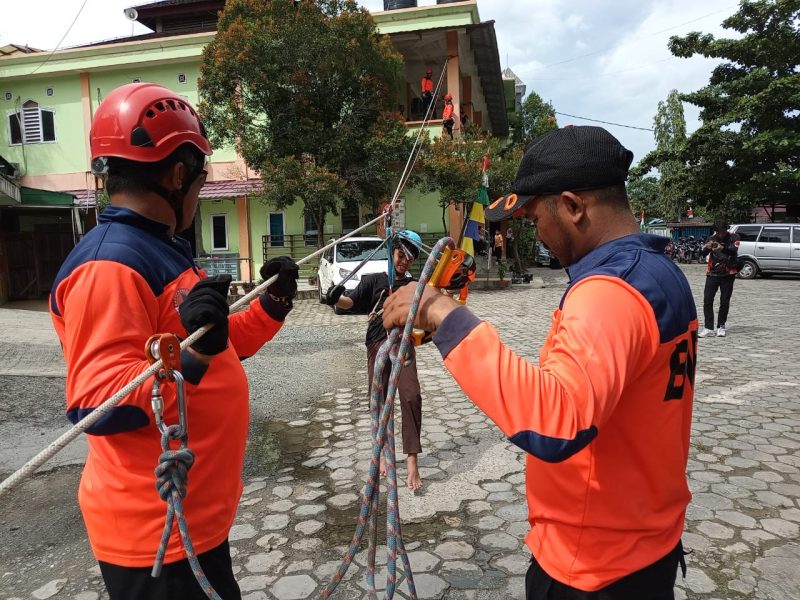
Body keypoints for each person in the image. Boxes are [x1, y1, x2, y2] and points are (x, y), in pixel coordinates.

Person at [382, 126, 696, 599]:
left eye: (534, 219)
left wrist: (445, 316)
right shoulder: (660, 272)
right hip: (646, 545)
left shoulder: (608, 293)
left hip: (594, 567)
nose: (537, 232)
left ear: (572, 206)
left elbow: (557, 422)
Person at [49, 82, 299, 600]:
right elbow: (99, 403)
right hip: (155, 536)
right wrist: (194, 357)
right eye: (201, 180)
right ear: (178, 175)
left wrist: (271, 305)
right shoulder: (109, 266)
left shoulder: (159, 247)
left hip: (192, 524)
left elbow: (213, 344)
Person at [324, 230, 424, 492]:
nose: (404, 261)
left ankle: (411, 460)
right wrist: (334, 297)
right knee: (377, 400)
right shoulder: (373, 280)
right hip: (377, 344)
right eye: (401, 254)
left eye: (410, 258)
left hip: (403, 346)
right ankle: (380, 451)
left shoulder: (415, 286)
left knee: (411, 396)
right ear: (392, 252)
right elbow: (350, 302)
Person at [699, 221, 740, 338]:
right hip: (712, 274)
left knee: (724, 301)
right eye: (718, 232)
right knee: (707, 300)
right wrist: (706, 248)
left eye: (722, 232)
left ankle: (721, 326)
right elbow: (702, 254)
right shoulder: (711, 238)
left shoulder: (734, 237)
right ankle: (708, 327)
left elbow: (733, 251)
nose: (720, 234)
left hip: (728, 274)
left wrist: (722, 248)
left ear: (726, 229)